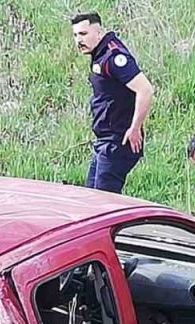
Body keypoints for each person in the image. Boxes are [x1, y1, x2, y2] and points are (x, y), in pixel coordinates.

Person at [71, 12, 154, 194]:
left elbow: (145, 90)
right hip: (104, 141)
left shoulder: (114, 57)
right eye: (75, 35)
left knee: (103, 205)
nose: (78, 40)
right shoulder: (99, 54)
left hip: (117, 142)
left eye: (83, 34)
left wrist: (135, 128)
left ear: (99, 32)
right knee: (90, 199)